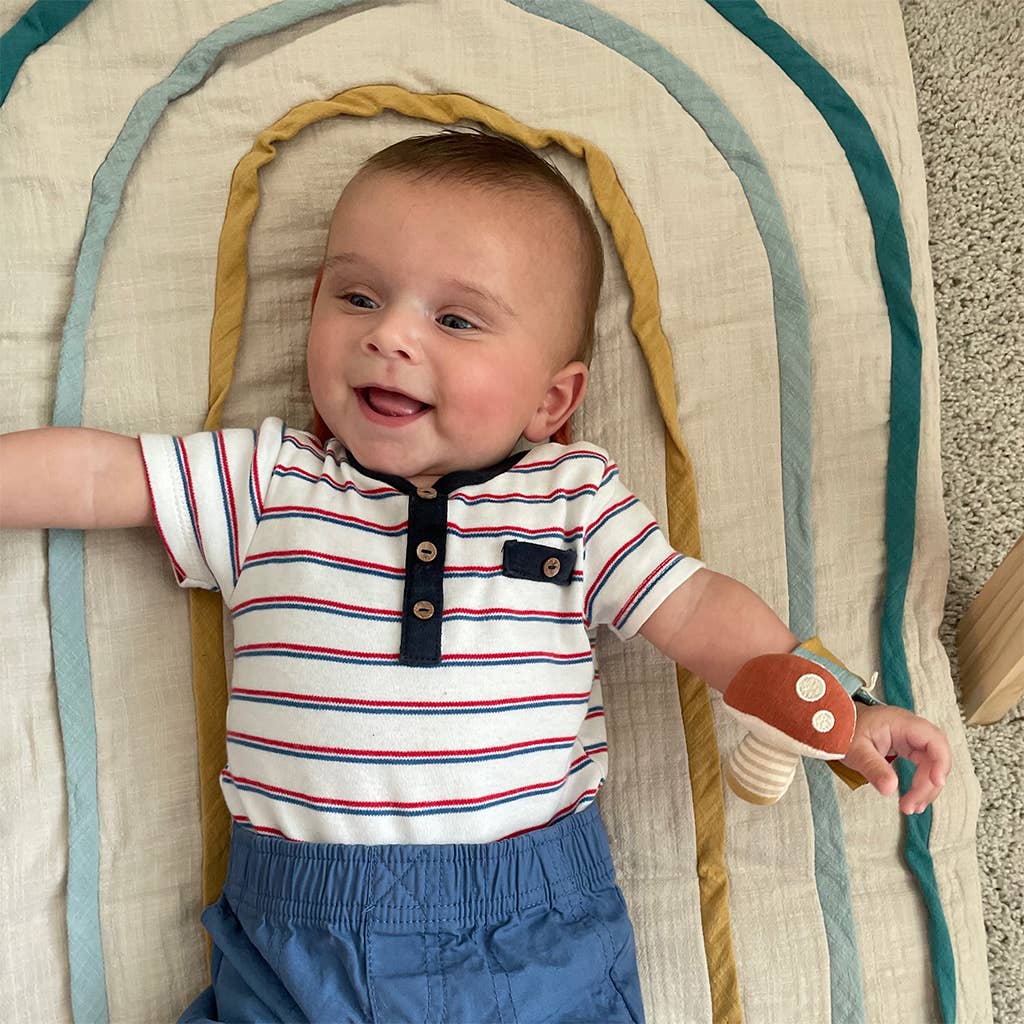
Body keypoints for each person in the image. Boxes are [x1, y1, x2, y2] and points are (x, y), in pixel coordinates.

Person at [0, 130, 951, 1023]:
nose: (391, 337)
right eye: (358, 297)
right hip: (294, 934)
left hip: (529, 930)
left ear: (552, 399)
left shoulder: (573, 500)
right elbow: (99, 474)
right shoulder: (270, 479)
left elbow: (695, 604)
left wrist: (834, 703)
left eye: (455, 319)